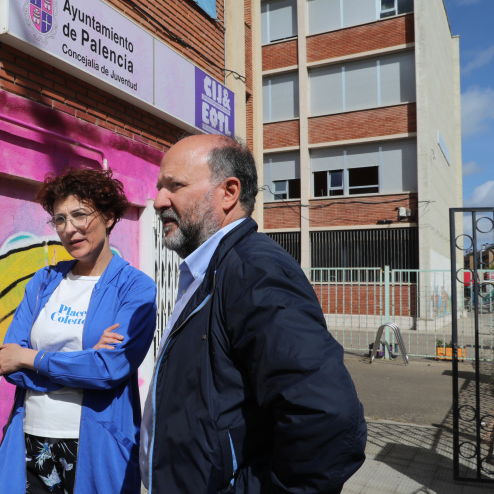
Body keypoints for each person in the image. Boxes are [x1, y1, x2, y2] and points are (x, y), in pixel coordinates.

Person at [138, 134, 367, 492]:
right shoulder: (213, 270)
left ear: (229, 192)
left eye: (175, 186)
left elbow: (328, 417)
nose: (157, 201)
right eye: (158, 188)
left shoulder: (253, 271)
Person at [0, 168, 157, 494]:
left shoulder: (135, 288)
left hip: (95, 445)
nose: (69, 229)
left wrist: (31, 358)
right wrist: (84, 360)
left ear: (108, 216)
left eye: (79, 215)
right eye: (60, 219)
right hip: (30, 438)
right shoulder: (44, 281)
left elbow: (109, 370)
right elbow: (7, 361)